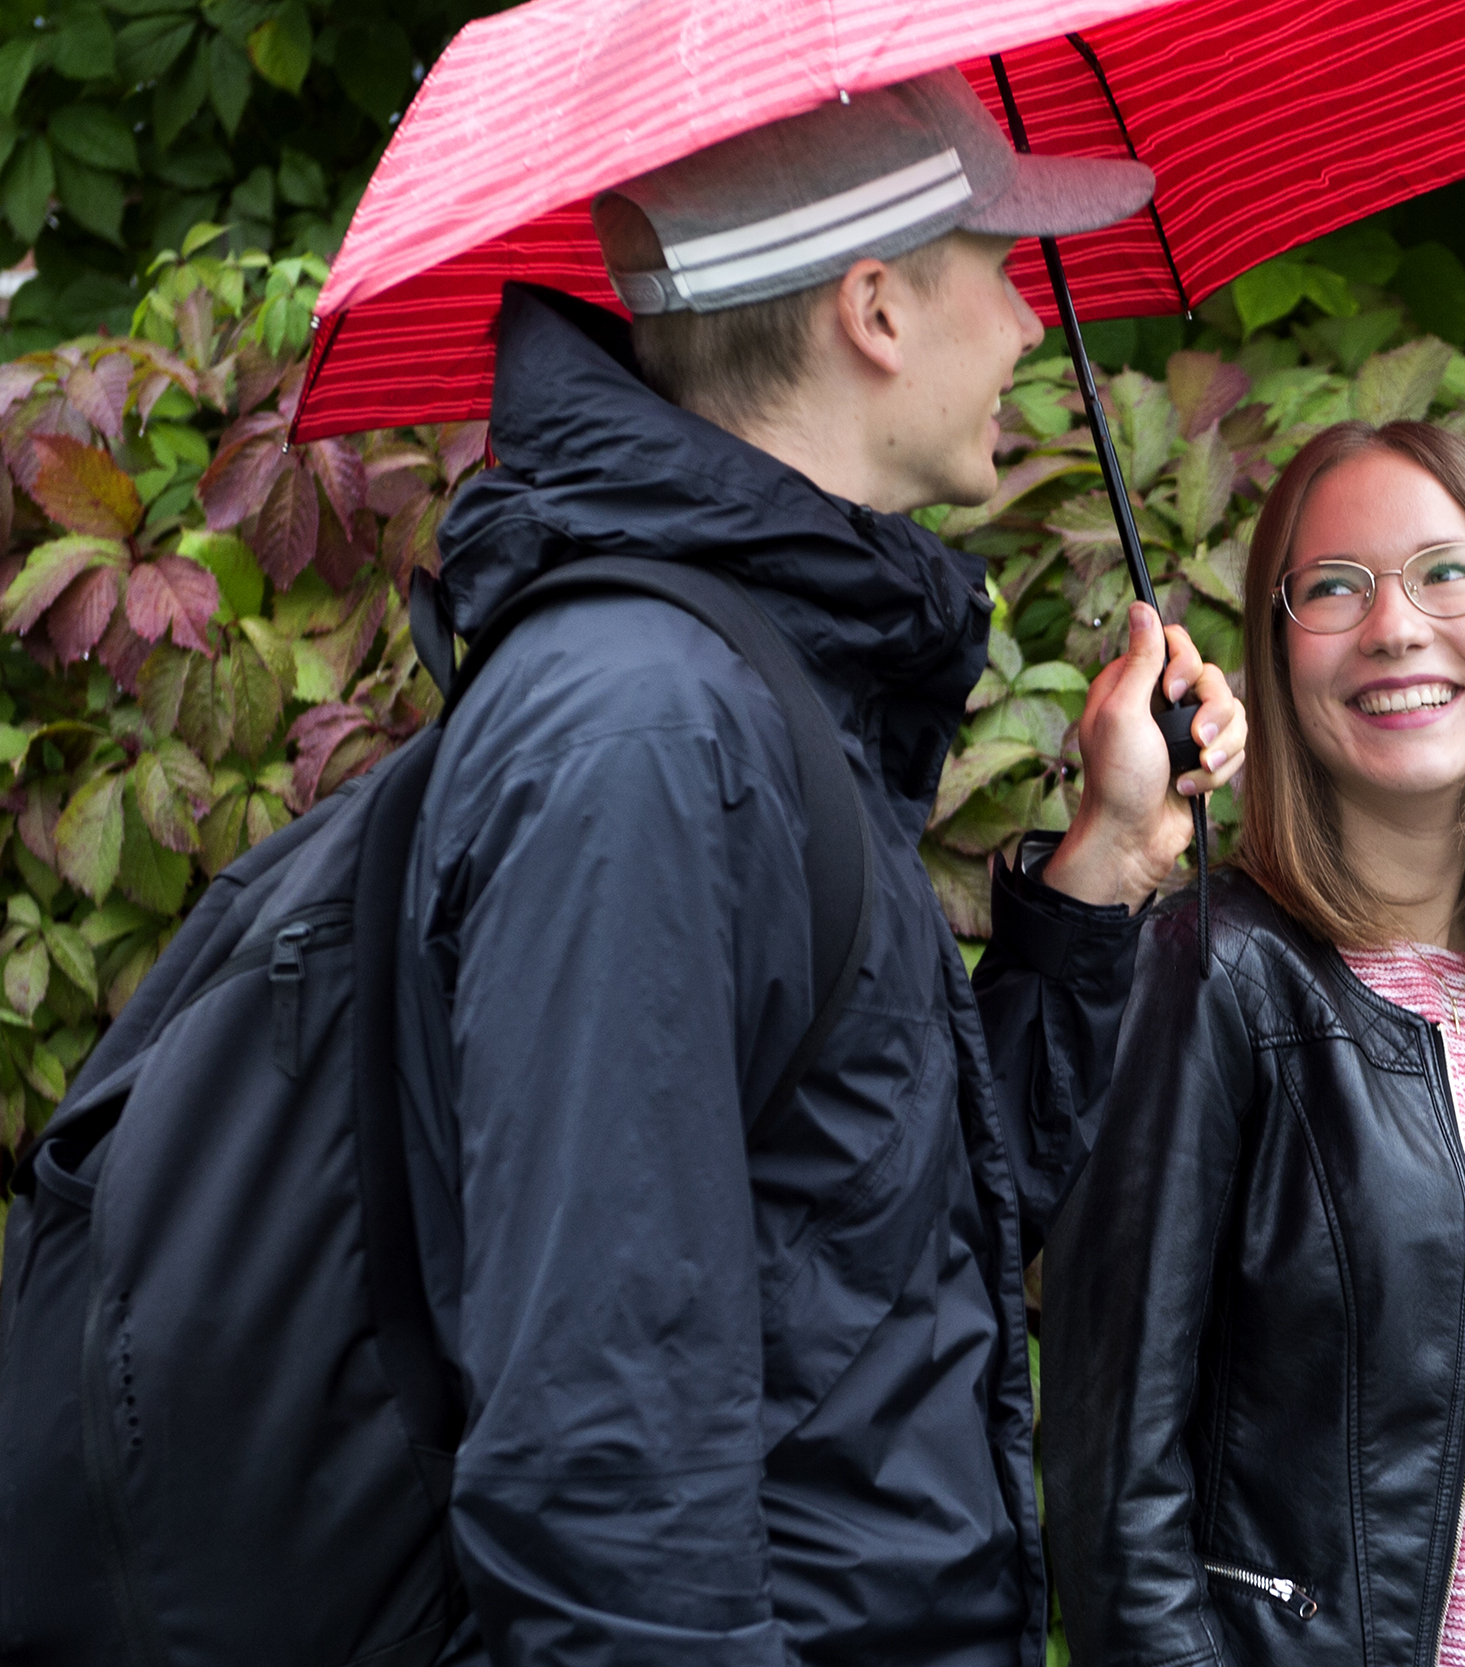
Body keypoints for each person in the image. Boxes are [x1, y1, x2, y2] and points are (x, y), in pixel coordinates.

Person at [393, 68, 1247, 1667]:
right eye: (998, 268)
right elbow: (604, 1474)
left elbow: (870, 1238)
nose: (1028, 325)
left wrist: (1106, 861)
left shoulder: (755, 683)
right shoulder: (644, 735)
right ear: (874, 309)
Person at [1039, 419, 1465, 1667]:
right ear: (1276, 659)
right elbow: (1118, 1498)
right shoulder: (1216, 977)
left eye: (1447, 571)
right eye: (1333, 586)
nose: (1395, 626)